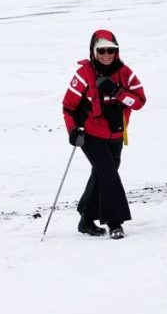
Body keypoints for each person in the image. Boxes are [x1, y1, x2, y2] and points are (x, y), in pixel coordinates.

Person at [61, 30, 147, 240]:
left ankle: (86, 219)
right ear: (93, 51)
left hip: (116, 134)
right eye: (102, 50)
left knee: (102, 174)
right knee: (108, 173)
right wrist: (73, 130)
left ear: (116, 50)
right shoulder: (84, 74)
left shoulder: (125, 73)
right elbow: (68, 106)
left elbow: (139, 102)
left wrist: (118, 92)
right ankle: (115, 222)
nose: (106, 54)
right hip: (89, 134)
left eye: (111, 50)